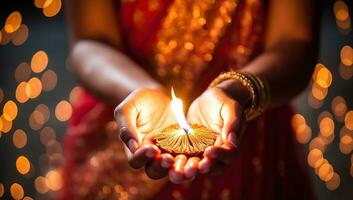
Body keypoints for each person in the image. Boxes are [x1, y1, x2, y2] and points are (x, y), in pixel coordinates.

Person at [61, 0, 320, 199]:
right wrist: (140, 89)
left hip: (249, 137)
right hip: (117, 120)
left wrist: (237, 90)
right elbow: (88, 40)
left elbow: (295, 40)